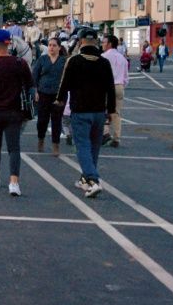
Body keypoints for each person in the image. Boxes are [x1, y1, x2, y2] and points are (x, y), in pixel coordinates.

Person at [55, 29, 116, 198]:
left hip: (80, 111)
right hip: (98, 112)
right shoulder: (104, 63)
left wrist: (59, 100)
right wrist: (110, 111)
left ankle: (93, 179)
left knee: (82, 145)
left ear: (80, 41)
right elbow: (110, 89)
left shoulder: (74, 61)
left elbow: (64, 84)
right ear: (96, 42)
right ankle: (85, 178)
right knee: (94, 147)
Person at [0, 29, 33, 197]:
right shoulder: (20, 63)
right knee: (14, 148)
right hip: (15, 111)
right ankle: (14, 182)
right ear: (9, 44)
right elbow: (31, 87)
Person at [31, 37, 66, 155]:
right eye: (50, 45)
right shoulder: (42, 59)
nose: (51, 47)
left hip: (58, 95)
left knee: (57, 121)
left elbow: (67, 78)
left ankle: (55, 145)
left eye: (54, 45)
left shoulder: (63, 61)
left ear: (59, 48)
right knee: (42, 120)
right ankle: (41, 139)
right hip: (43, 93)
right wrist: (35, 91)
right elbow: (34, 76)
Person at [101, 34, 129, 148]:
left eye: (104, 42)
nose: (102, 44)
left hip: (107, 86)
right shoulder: (122, 58)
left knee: (103, 110)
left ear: (110, 44)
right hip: (119, 86)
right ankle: (117, 138)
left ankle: (105, 133)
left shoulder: (104, 56)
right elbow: (126, 77)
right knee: (116, 113)